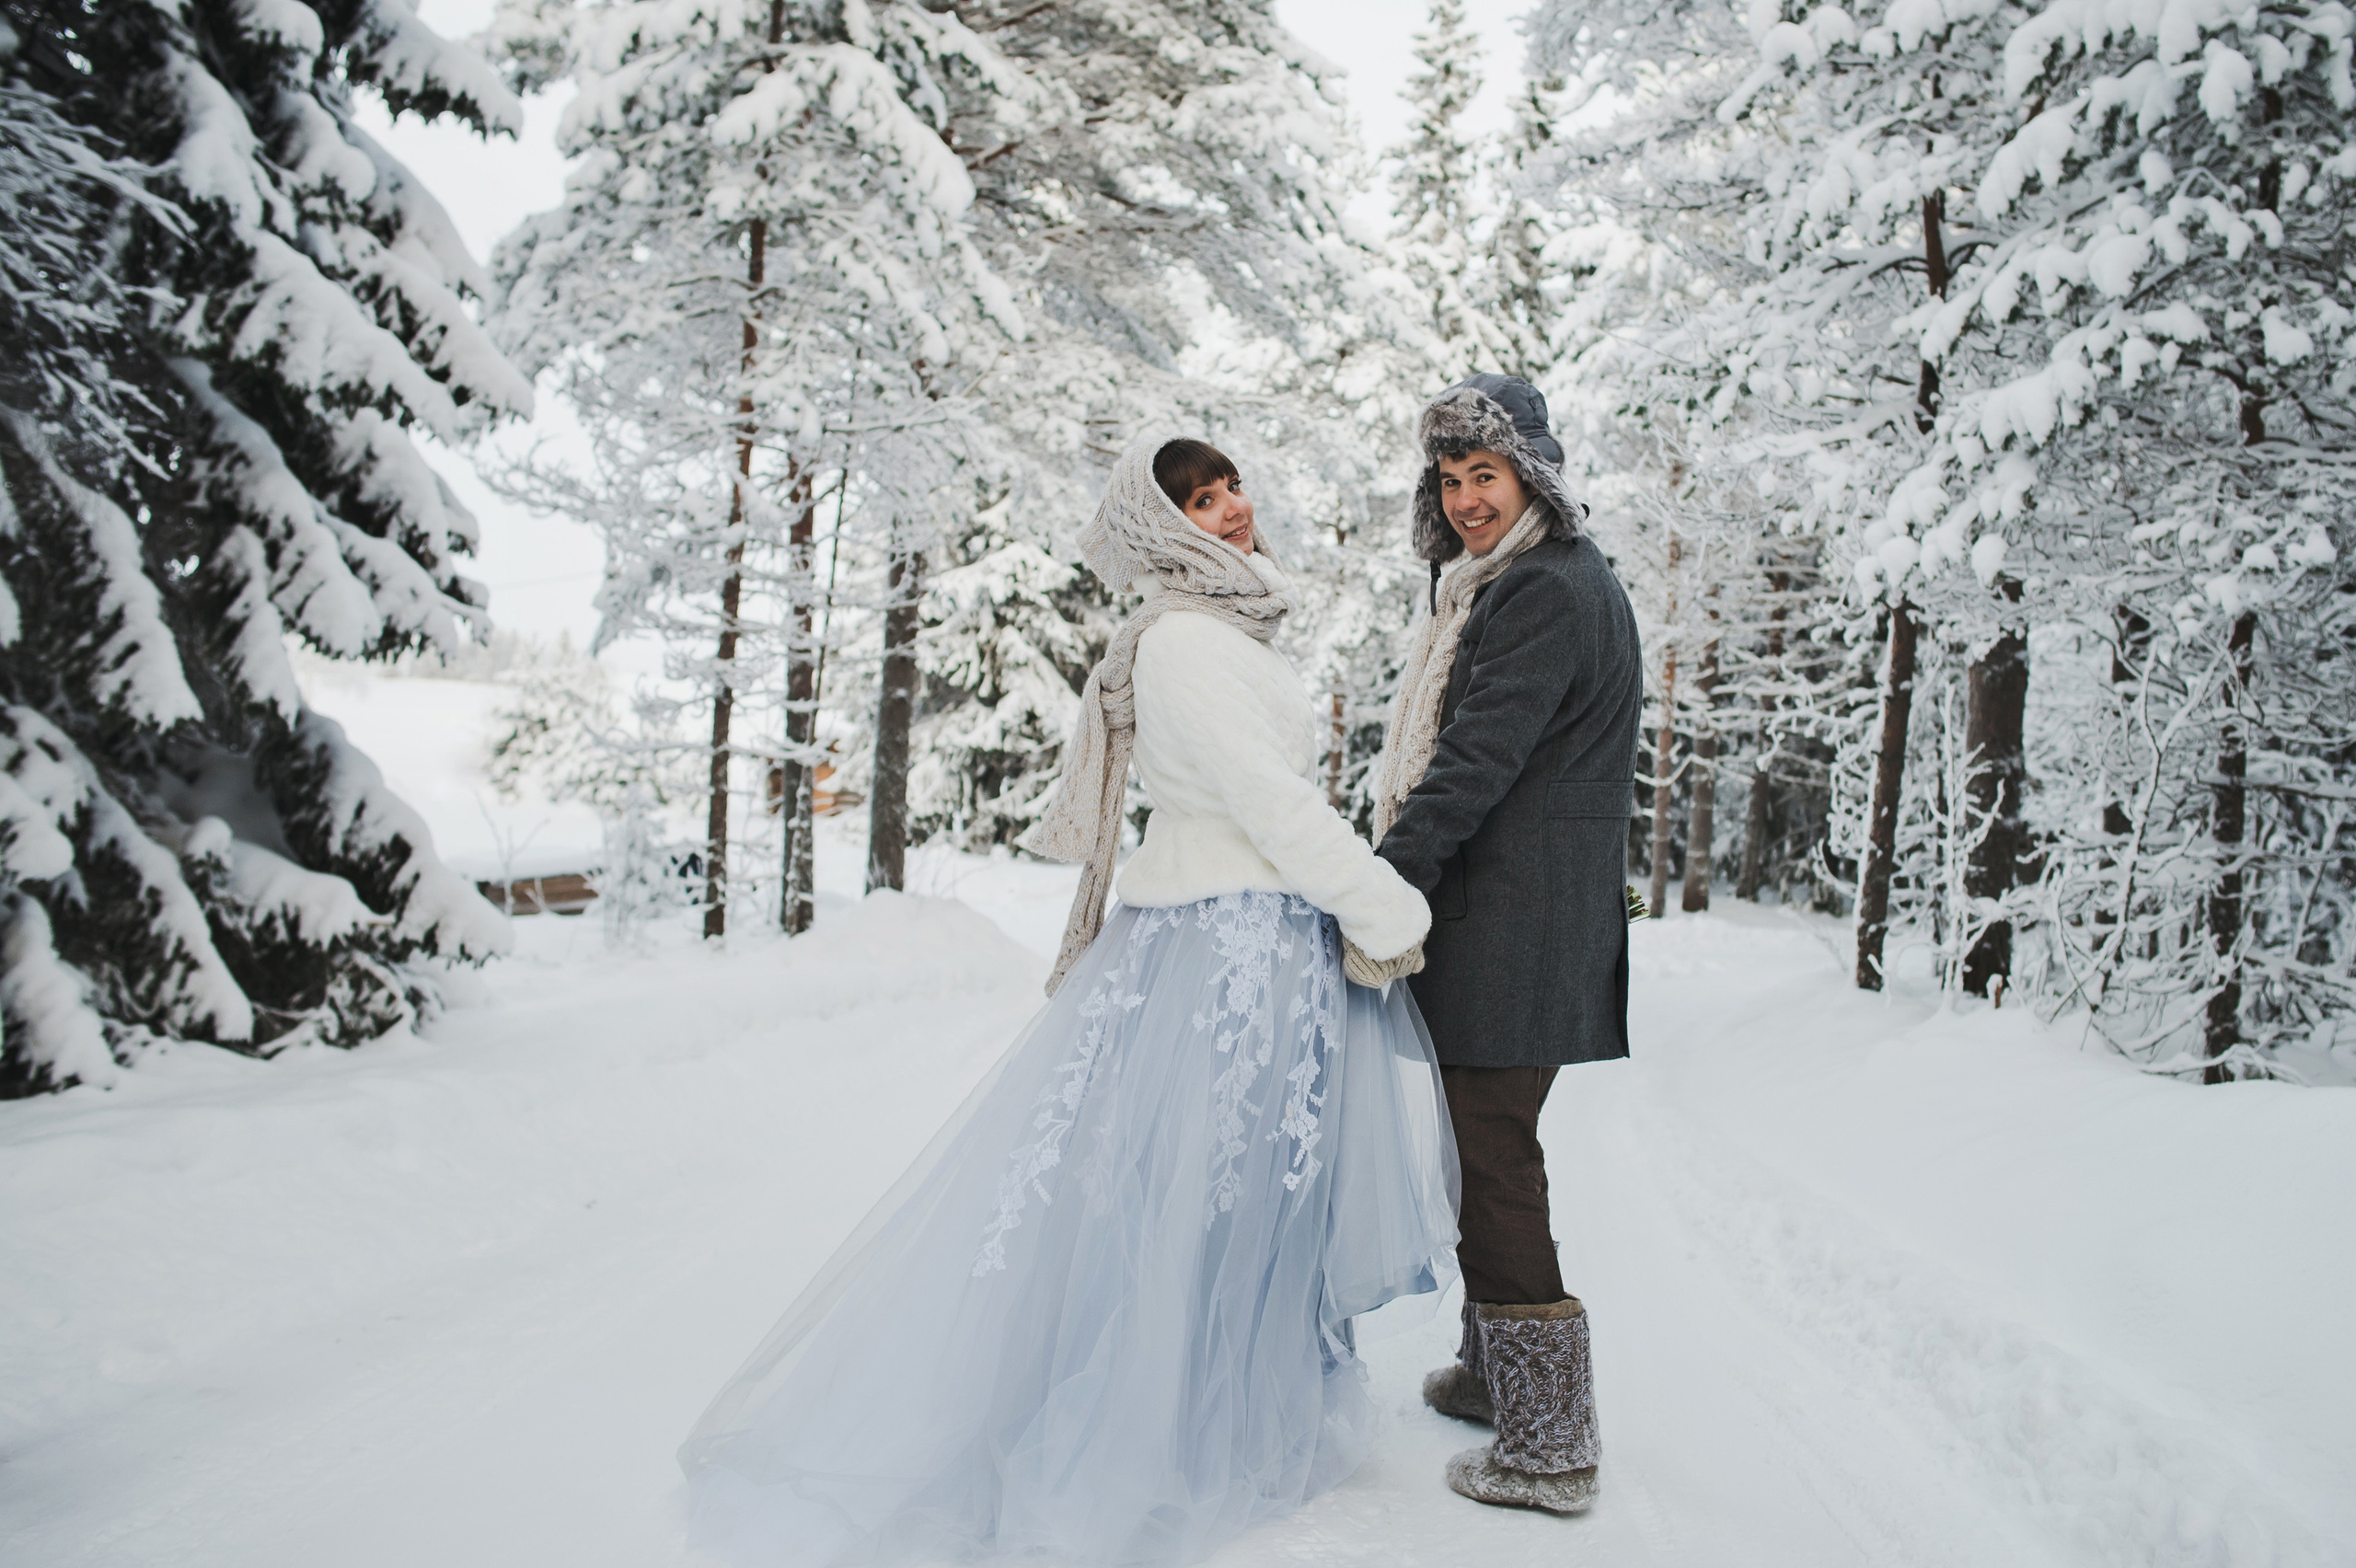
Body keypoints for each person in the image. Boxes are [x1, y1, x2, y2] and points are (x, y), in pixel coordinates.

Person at [677, 432, 1460, 1566]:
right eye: (1201, 498)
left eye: (1231, 485)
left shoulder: (1225, 629)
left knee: (1236, 1200)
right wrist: (1384, 905)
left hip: (1255, 935)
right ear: (1162, 528)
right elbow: (1264, 802)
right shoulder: (1186, 641)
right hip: (1225, 945)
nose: (1231, 508)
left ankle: (1221, 1410)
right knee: (1196, 1198)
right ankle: (1160, 1437)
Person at [1371, 375, 1644, 1516]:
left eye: (1485, 474)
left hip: (1515, 919)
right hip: (1519, 915)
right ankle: (1496, 1378)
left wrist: (1383, 883)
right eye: (1450, 478)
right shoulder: (1523, 581)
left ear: (1532, 474)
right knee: (1485, 1150)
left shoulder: (1540, 592)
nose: (1467, 498)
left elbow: (1473, 761)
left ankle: (1550, 1447)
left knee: (1492, 1160)